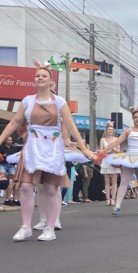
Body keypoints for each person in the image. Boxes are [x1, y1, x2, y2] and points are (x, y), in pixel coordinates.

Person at [0, 61, 94, 241]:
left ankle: (50, 227)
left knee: (51, 189)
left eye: (44, 76)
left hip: (52, 148)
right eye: (37, 75)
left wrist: (84, 149)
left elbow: (71, 126)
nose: (40, 78)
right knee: (26, 187)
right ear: (34, 80)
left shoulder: (59, 102)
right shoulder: (27, 100)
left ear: (51, 82)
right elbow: (14, 122)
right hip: (33, 148)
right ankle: (25, 226)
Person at [99, 122, 121, 206]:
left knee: (114, 181)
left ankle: (113, 199)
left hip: (114, 160)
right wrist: (107, 151)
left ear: (114, 130)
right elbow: (101, 151)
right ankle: (107, 199)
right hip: (106, 160)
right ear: (106, 130)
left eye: (112, 129)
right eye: (109, 129)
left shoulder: (117, 139)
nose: (110, 130)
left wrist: (113, 150)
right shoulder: (102, 139)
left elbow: (118, 151)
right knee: (107, 181)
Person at [0, 135, 21, 206]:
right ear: (5, 141)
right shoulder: (1, 147)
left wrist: (7, 156)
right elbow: (2, 157)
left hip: (11, 165)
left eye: (11, 140)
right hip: (3, 165)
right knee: (5, 177)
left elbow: (15, 157)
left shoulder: (14, 148)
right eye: (9, 140)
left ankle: (15, 199)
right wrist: (4, 156)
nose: (10, 141)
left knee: (16, 181)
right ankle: (6, 197)